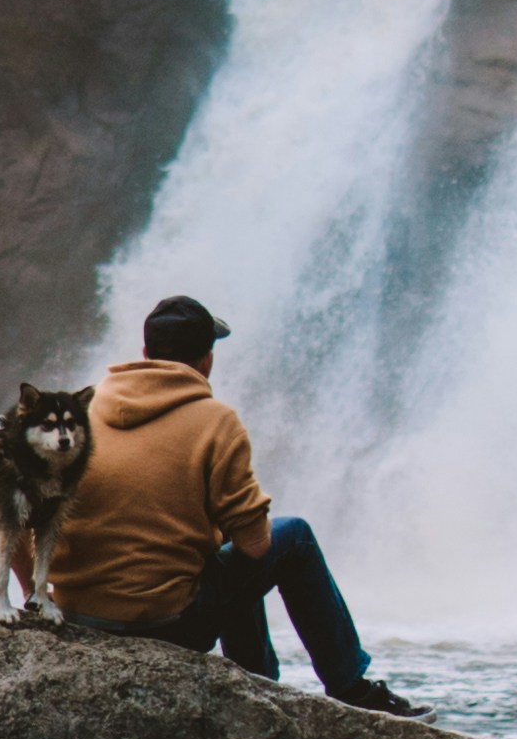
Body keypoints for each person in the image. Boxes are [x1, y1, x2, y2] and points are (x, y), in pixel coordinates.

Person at [45, 294, 417, 709]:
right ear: (207, 361)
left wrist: (34, 596)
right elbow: (256, 546)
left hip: (75, 613)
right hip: (165, 625)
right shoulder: (215, 421)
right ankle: (349, 687)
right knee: (289, 539)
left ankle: (258, 684)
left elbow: (30, 515)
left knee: (228, 556)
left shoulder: (79, 411)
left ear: (147, 353)